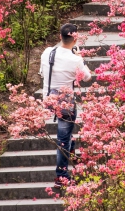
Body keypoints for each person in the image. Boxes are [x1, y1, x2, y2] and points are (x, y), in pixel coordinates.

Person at [39, 23, 92, 186]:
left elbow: (42, 73)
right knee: (63, 139)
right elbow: (87, 77)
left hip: (49, 99)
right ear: (75, 38)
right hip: (65, 104)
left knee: (66, 136)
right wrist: (80, 57)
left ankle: (71, 145)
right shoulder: (75, 59)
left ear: (60, 36)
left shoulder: (47, 52)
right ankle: (61, 176)